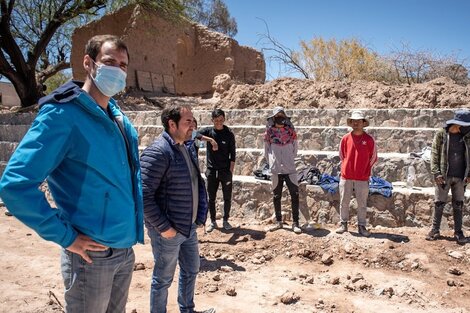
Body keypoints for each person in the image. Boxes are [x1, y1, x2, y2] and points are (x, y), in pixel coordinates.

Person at [0, 35, 143, 312]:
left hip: (124, 251)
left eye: (124, 65)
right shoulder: (62, 115)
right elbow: (15, 185)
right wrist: (66, 237)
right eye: (110, 62)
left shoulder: (116, 116)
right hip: (91, 256)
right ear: (88, 63)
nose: (118, 70)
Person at [140, 105, 215, 313]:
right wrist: (164, 228)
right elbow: (143, 195)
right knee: (163, 279)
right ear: (171, 124)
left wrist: (199, 216)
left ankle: (187, 309)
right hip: (168, 231)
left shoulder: (186, 146)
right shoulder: (158, 152)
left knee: (191, 269)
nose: (193, 125)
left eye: (193, 121)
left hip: (188, 226)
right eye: (187, 121)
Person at [427, 109, 470, 245]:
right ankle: (435, 230)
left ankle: (458, 232)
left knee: (458, 204)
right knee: (439, 203)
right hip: (444, 176)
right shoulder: (442, 134)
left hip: (460, 177)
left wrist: (469, 174)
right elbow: (434, 154)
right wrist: (436, 173)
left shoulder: (466, 137)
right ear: (458, 124)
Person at [336, 110, 377, 237]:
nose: (356, 123)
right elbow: (342, 155)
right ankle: (343, 224)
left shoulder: (369, 140)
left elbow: (373, 157)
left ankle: (361, 226)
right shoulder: (345, 138)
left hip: (362, 177)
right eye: (354, 121)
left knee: (362, 203)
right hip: (346, 176)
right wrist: (347, 167)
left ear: (363, 123)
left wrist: (364, 170)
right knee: (344, 201)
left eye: (359, 121)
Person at [197, 109, 236, 232]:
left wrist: (230, 171)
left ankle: (225, 220)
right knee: (211, 198)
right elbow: (193, 134)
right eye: (216, 120)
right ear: (212, 120)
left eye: (221, 120)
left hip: (225, 171)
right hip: (212, 171)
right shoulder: (208, 131)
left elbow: (233, 154)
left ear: (224, 119)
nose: (219, 122)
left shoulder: (229, 133)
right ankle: (213, 221)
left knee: (227, 197)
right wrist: (210, 140)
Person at [264, 106, 301, 234]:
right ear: (273, 118)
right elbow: (266, 150)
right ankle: (279, 221)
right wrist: (272, 163)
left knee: (294, 195)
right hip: (275, 169)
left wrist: (289, 158)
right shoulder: (269, 132)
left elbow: (295, 148)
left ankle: (296, 223)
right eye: (277, 116)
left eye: (282, 115)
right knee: (276, 195)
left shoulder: (291, 131)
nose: (280, 118)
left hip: (290, 168)